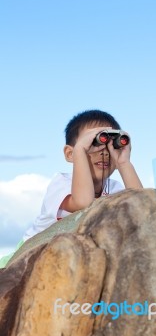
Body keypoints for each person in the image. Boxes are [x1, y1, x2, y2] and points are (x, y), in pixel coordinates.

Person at [0, 109, 143, 268]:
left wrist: (124, 163)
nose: (104, 152)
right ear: (70, 154)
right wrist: (80, 150)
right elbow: (83, 203)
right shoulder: (61, 183)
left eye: (110, 145)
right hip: (27, 254)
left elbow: (142, 208)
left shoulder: (115, 188)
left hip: (70, 256)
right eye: (94, 143)